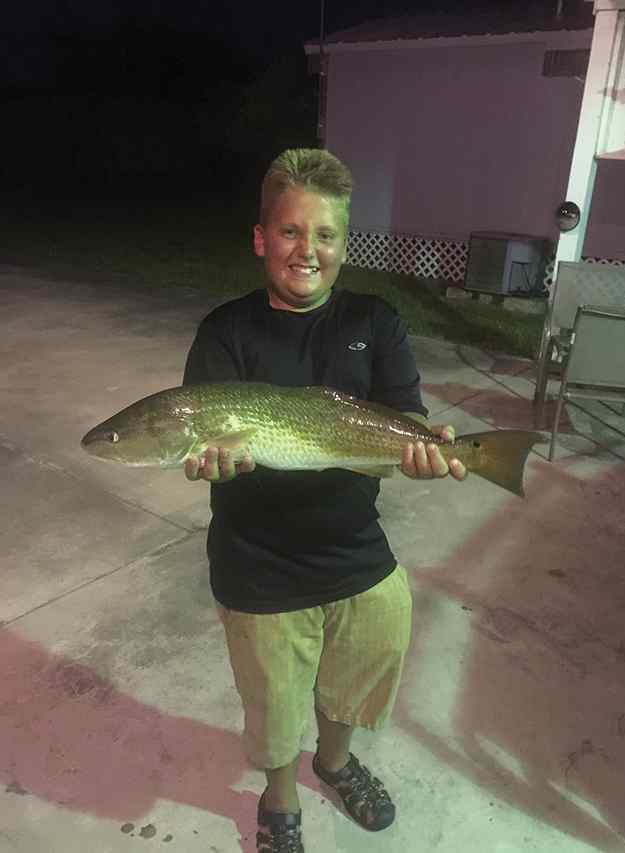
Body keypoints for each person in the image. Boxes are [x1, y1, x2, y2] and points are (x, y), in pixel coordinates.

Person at [182, 148, 467, 853]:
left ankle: (334, 762)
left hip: (355, 550)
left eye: (325, 234)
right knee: (274, 707)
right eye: (289, 231)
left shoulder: (377, 319)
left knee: (366, 661)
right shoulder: (226, 331)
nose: (306, 249)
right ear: (260, 238)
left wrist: (426, 456)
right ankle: (280, 803)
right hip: (260, 563)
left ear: (344, 244)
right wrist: (212, 462)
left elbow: (405, 423)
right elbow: (208, 446)